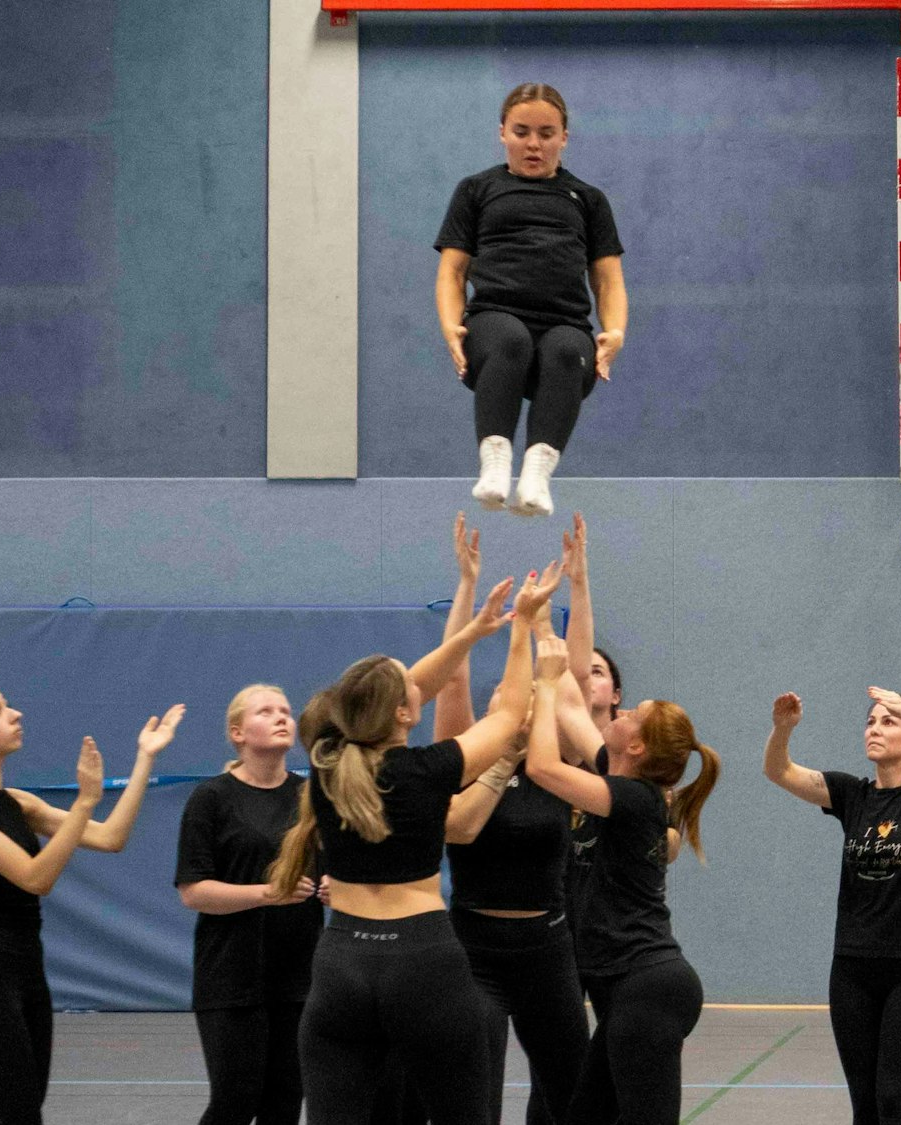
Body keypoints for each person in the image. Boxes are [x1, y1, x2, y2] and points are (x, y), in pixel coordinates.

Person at [267, 568, 545, 1125]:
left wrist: (470, 633)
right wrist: (522, 628)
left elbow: (402, 691)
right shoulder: (427, 769)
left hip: (342, 961)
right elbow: (512, 716)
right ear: (402, 713)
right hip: (423, 961)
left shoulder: (325, 760)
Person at [0, 688, 184, 1125]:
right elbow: (35, 878)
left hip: (28, 969)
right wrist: (84, 801)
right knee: (21, 1115)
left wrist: (145, 757)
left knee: (27, 1112)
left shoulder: (17, 802)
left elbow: (111, 837)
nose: (15, 714)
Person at [524, 610, 719, 1125]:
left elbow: (543, 766)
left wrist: (542, 687)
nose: (622, 710)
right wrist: (543, 624)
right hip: (632, 990)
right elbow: (573, 703)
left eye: (633, 712)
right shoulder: (622, 782)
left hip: (648, 984)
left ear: (636, 746)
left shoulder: (634, 797)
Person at [427, 514, 587, 1125]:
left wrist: (551, 608)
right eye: (504, 698)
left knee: (572, 1090)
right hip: (472, 946)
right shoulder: (466, 759)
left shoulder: (556, 766)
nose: (514, 702)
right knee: (474, 1095)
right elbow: (452, 674)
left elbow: (568, 677)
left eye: (524, 698)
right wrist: (468, 587)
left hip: (548, 945)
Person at [762, 687, 901, 1125]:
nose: (875, 728)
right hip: (852, 969)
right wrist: (783, 729)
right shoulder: (850, 795)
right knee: (865, 1107)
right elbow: (777, 770)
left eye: (889, 721)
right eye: (871, 721)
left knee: (895, 1101)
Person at [436, 82, 627, 518]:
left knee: (565, 352)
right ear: (502, 132)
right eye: (522, 132)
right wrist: (450, 325)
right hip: (493, 320)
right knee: (511, 340)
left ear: (564, 137)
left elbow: (608, 281)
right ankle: (496, 464)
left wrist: (614, 331)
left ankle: (537, 476)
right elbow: (452, 271)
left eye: (546, 133)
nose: (534, 144)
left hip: (565, 323)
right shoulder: (476, 190)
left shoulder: (588, 200)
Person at [176, 685, 324, 1125]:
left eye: (285, 710)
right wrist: (267, 894)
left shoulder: (311, 797)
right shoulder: (212, 797)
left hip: (298, 975)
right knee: (234, 1101)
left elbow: (331, 868)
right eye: (266, 711)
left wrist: (339, 883)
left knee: (285, 1101)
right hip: (232, 975)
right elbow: (193, 890)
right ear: (238, 732)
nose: (281, 717)